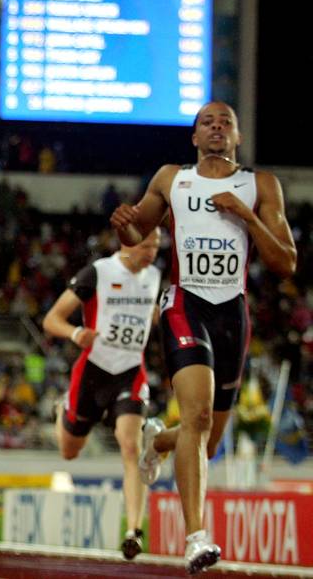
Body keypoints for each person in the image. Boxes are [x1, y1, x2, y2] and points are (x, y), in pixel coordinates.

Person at [110, 101, 295, 574]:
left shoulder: (261, 185)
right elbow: (136, 235)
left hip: (232, 312)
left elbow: (285, 262)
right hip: (185, 304)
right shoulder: (172, 178)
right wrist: (124, 223)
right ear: (194, 137)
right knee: (195, 416)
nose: (216, 127)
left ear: (237, 136)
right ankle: (196, 539)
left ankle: (158, 441)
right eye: (206, 122)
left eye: (226, 121)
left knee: (206, 440)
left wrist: (246, 216)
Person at [41, 229, 162, 560]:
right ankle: (62, 410)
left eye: (157, 245)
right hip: (92, 372)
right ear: (127, 242)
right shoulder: (98, 273)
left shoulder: (154, 276)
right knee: (69, 452)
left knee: (130, 446)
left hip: (130, 373)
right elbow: (50, 320)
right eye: (147, 245)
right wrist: (76, 332)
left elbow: (150, 314)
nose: (153, 252)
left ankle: (133, 531)